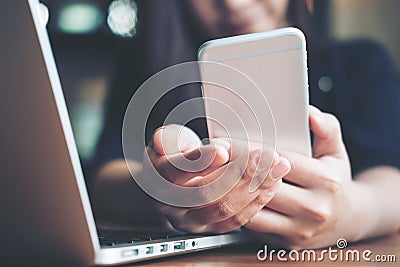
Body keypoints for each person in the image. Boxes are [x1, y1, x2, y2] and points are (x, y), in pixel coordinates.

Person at [92, 0, 400, 249]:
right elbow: (102, 178)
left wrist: (352, 212)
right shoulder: (146, 66)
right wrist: (159, 183)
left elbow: (390, 179)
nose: (234, 4)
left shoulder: (361, 63)